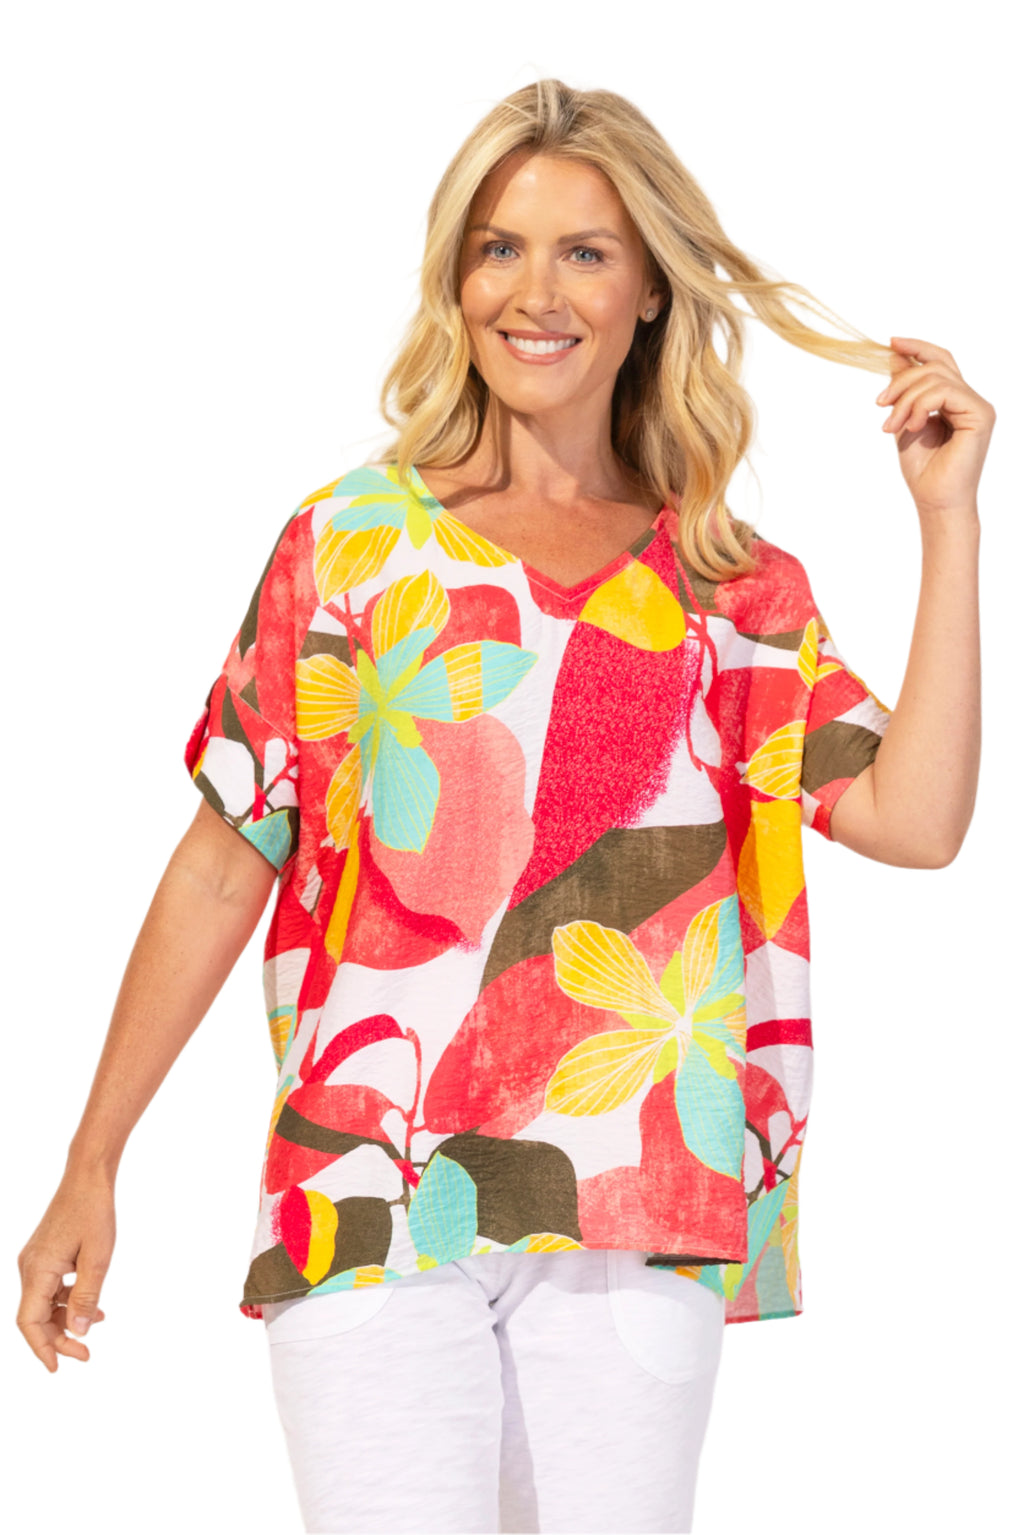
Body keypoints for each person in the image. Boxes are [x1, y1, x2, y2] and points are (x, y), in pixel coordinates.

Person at [16, 77, 990, 1535]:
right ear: (455, 279)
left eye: (585, 251)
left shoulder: (727, 585)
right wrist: (91, 1164)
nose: (535, 292)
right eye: (499, 248)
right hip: (372, 1190)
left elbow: (915, 823)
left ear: (650, 288)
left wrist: (948, 519)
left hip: (636, 1202)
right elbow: (223, 865)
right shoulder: (348, 547)